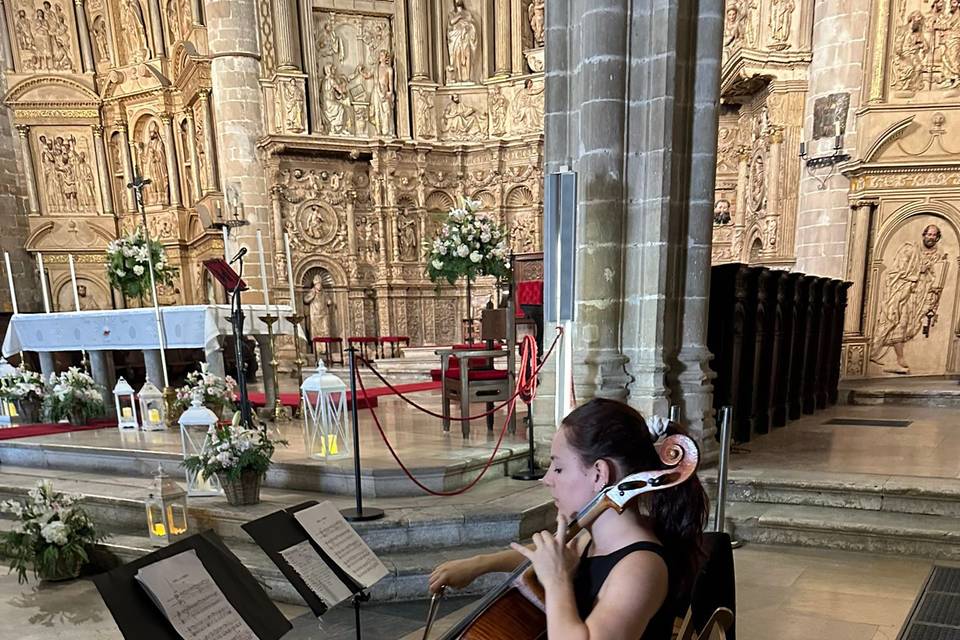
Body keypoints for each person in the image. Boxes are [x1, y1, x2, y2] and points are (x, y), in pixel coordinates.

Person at [429, 398, 708, 639]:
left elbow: (555, 568)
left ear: (599, 474)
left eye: (558, 468)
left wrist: (557, 582)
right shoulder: (590, 536)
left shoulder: (641, 568)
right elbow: (549, 554)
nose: (547, 479)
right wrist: (478, 565)